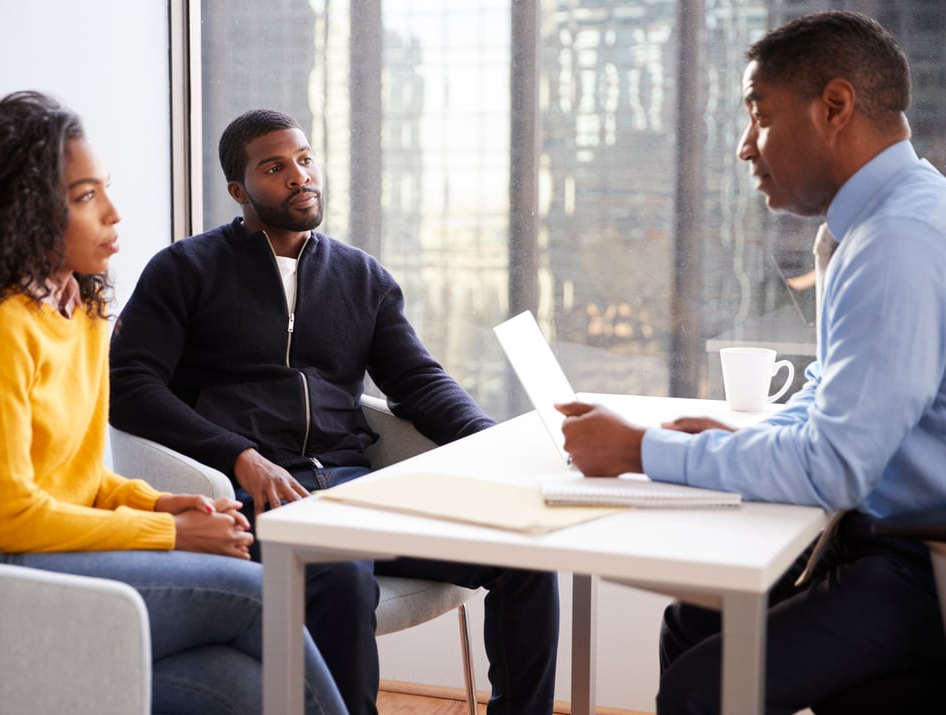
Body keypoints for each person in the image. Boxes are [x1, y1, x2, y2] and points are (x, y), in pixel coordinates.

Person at [0, 91, 347, 715]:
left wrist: (156, 500)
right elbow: (3, 516)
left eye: (105, 189)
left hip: (28, 550)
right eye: (85, 197)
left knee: (237, 685)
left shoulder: (80, 309)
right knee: (255, 594)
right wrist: (170, 533)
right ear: (19, 212)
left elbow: (75, 476)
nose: (114, 213)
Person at [556, 10, 946, 715]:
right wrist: (742, 438)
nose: (745, 146)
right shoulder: (886, 219)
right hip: (878, 534)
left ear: (834, 106)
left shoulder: (897, 240)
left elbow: (834, 466)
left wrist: (639, 449)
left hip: (920, 561)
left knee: (701, 690)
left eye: (759, 115)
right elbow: (832, 395)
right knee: (692, 622)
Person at [108, 108, 560, 715]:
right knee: (343, 571)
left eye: (304, 159)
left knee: (523, 551)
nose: (299, 176)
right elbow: (128, 385)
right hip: (248, 496)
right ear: (239, 191)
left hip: (355, 488)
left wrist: (491, 441)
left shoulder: (360, 275)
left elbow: (418, 382)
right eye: (275, 168)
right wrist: (239, 456)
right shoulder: (185, 269)